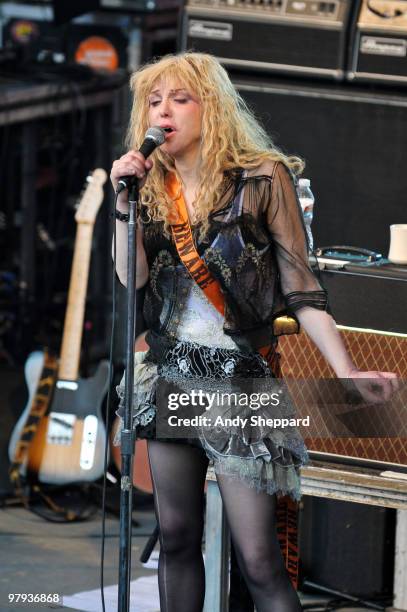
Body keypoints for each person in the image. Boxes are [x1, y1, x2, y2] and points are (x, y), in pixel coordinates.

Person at [110, 52, 397, 612]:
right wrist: (123, 203)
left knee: (259, 557)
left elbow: (303, 291)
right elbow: (133, 279)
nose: (163, 110)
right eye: (153, 100)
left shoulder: (262, 178)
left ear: (211, 108)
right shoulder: (147, 184)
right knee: (175, 540)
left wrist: (347, 373)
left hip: (243, 385)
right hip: (171, 375)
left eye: (180, 99)